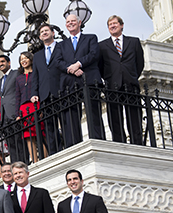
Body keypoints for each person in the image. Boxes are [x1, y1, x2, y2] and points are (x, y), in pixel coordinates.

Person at [54, 14, 104, 147]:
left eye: (73, 21)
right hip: (69, 83)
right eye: (68, 22)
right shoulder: (61, 44)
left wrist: (79, 63)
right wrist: (73, 69)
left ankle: (98, 140)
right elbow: (58, 62)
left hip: (89, 79)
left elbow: (94, 54)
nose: (70, 23)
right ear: (65, 25)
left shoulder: (90, 38)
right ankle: (74, 144)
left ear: (79, 22)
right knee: (71, 116)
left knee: (94, 112)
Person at [99, 15, 145, 145]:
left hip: (131, 85)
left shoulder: (134, 42)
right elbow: (100, 66)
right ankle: (120, 145)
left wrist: (131, 76)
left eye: (115, 23)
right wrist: (109, 78)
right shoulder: (102, 46)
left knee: (135, 119)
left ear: (121, 25)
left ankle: (137, 144)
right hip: (112, 87)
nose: (112, 26)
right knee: (115, 120)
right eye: (110, 25)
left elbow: (139, 63)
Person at [31, 23, 63, 156]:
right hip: (45, 94)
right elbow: (35, 76)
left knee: (65, 121)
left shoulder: (62, 47)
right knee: (50, 126)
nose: (44, 33)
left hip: (61, 90)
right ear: (39, 37)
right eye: (42, 32)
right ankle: (54, 152)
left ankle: (66, 147)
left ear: (53, 33)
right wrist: (34, 93)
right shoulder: (37, 56)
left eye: (47, 31)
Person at [16, 51, 47, 163]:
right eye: (21, 59)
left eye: (26, 58)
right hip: (24, 108)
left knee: (40, 133)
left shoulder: (36, 73)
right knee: (28, 135)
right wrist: (17, 114)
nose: (23, 61)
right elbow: (17, 96)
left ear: (30, 59)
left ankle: (45, 158)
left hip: (35, 104)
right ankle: (34, 161)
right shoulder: (18, 78)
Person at [0, 55, 23, 163]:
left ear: (9, 62)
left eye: (2, 61)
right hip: (5, 117)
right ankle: (15, 164)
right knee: (11, 144)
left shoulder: (16, 73)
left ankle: (23, 162)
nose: (0, 64)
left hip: (15, 112)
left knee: (19, 142)